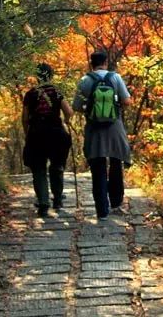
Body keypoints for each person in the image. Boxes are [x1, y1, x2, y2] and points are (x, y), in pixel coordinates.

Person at [73, 51, 133, 220]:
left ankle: (102, 210)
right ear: (106, 62)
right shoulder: (115, 78)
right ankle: (116, 203)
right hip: (115, 128)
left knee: (98, 168)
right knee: (115, 164)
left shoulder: (85, 81)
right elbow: (127, 101)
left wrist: (91, 108)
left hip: (94, 129)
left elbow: (76, 106)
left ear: (91, 64)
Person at [22, 63, 73, 217]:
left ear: (37, 76)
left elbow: (24, 119)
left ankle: (43, 203)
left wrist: (27, 134)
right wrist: (66, 121)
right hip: (56, 133)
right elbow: (69, 111)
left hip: (37, 134)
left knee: (38, 169)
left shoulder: (30, 94)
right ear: (51, 76)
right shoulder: (56, 92)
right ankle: (57, 198)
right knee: (57, 166)